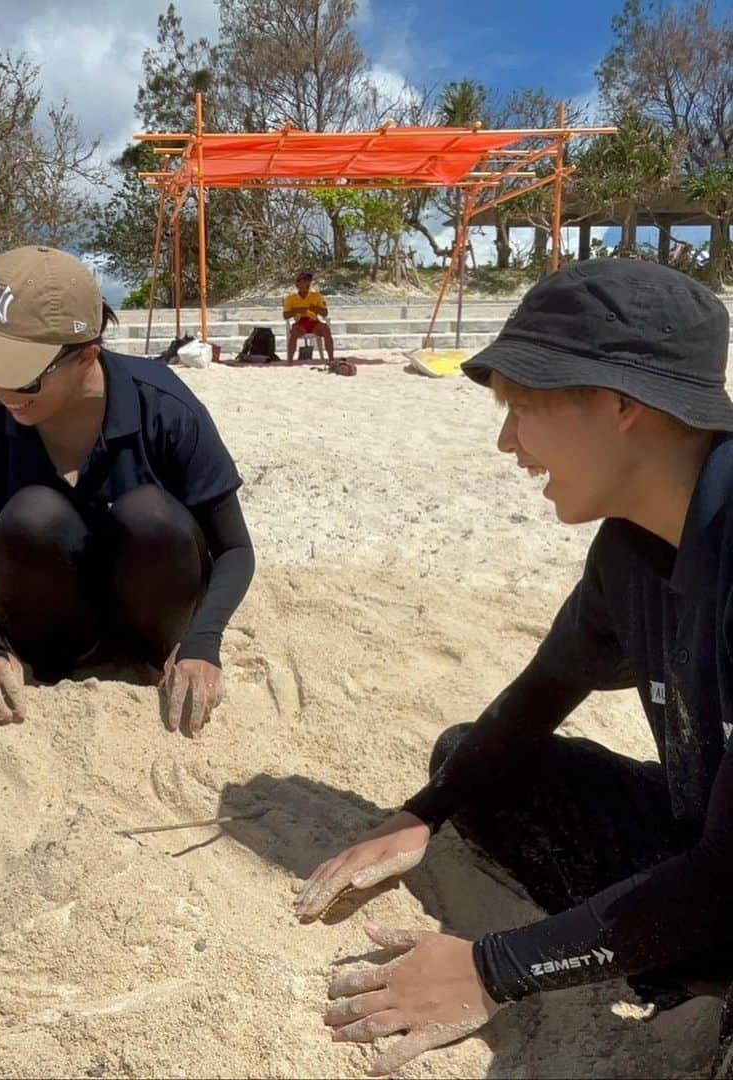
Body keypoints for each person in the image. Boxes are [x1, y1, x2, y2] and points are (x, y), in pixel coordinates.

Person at [293, 259, 733, 1077]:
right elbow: (535, 700)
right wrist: (424, 812)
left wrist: (496, 968)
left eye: (522, 409)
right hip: (712, 847)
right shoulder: (634, 549)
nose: (507, 444)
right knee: (480, 765)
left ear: (621, 404)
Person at [0, 246, 255, 735]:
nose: (4, 392)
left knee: (149, 512)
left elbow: (234, 548)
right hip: (50, 636)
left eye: (24, 375)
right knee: (32, 514)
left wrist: (204, 643)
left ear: (86, 357)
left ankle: (150, 656)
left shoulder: (163, 407)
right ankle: (59, 662)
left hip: (156, 626)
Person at [283, 270, 334, 365]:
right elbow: (285, 315)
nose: (304, 285)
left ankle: (331, 359)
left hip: (314, 322)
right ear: (297, 284)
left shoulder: (316, 296)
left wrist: (315, 308)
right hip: (300, 322)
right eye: (302, 282)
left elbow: (325, 313)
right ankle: (290, 360)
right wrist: (298, 310)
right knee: (294, 332)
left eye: (307, 282)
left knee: (326, 329)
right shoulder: (291, 298)